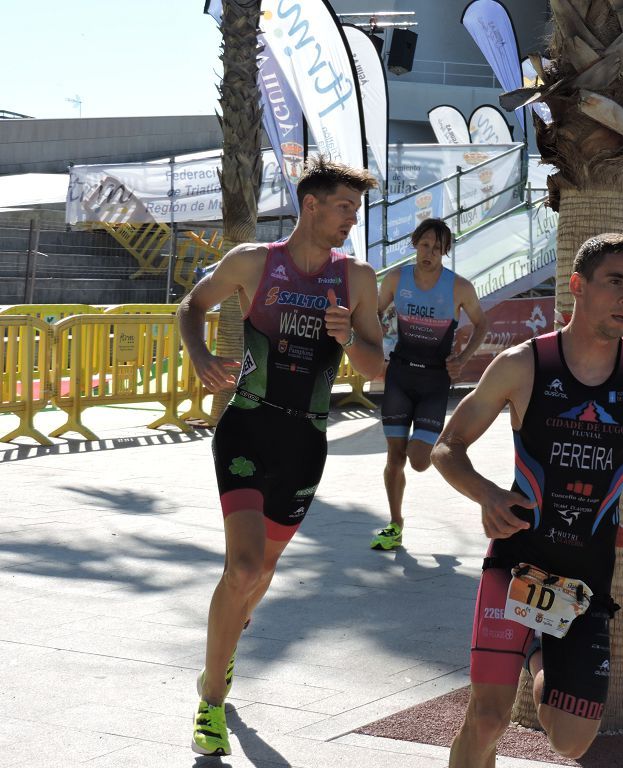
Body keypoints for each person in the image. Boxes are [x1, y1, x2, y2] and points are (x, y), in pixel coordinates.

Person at [432, 233, 623, 765]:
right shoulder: (523, 365)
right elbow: (447, 447)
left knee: (571, 740)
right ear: (577, 287)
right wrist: (489, 496)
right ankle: (533, 640)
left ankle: (539, 646)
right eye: (615, 282)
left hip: (583, 581)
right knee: (489, 718)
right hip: (516, 562)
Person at [178, 157, 384, 757]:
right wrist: (198, 357)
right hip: (247, 427)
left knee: (260, 575)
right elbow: (191, 305)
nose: (352, 218)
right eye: (344, 206)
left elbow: (375, 371)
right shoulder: (253, 262)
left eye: (355, 208)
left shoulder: (358, 279)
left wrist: (350, 338)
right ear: (312, 205)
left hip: (306, 442)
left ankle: (226, 644)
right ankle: (211, 701)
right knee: (241, 568)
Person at [371, 218, 489, 551]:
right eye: (425, 245)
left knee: (419, 460)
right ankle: (395, 524)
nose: (429, 253)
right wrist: (375, 346)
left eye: (437, 248)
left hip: (435, 381)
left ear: (445, 252)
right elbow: (374, 313)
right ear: (415, 244)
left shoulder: (459, 287)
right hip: (399, 376)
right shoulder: (396, 278)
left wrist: (463, 359)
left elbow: (482, 323)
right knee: (394, 456)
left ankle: (423, 442)